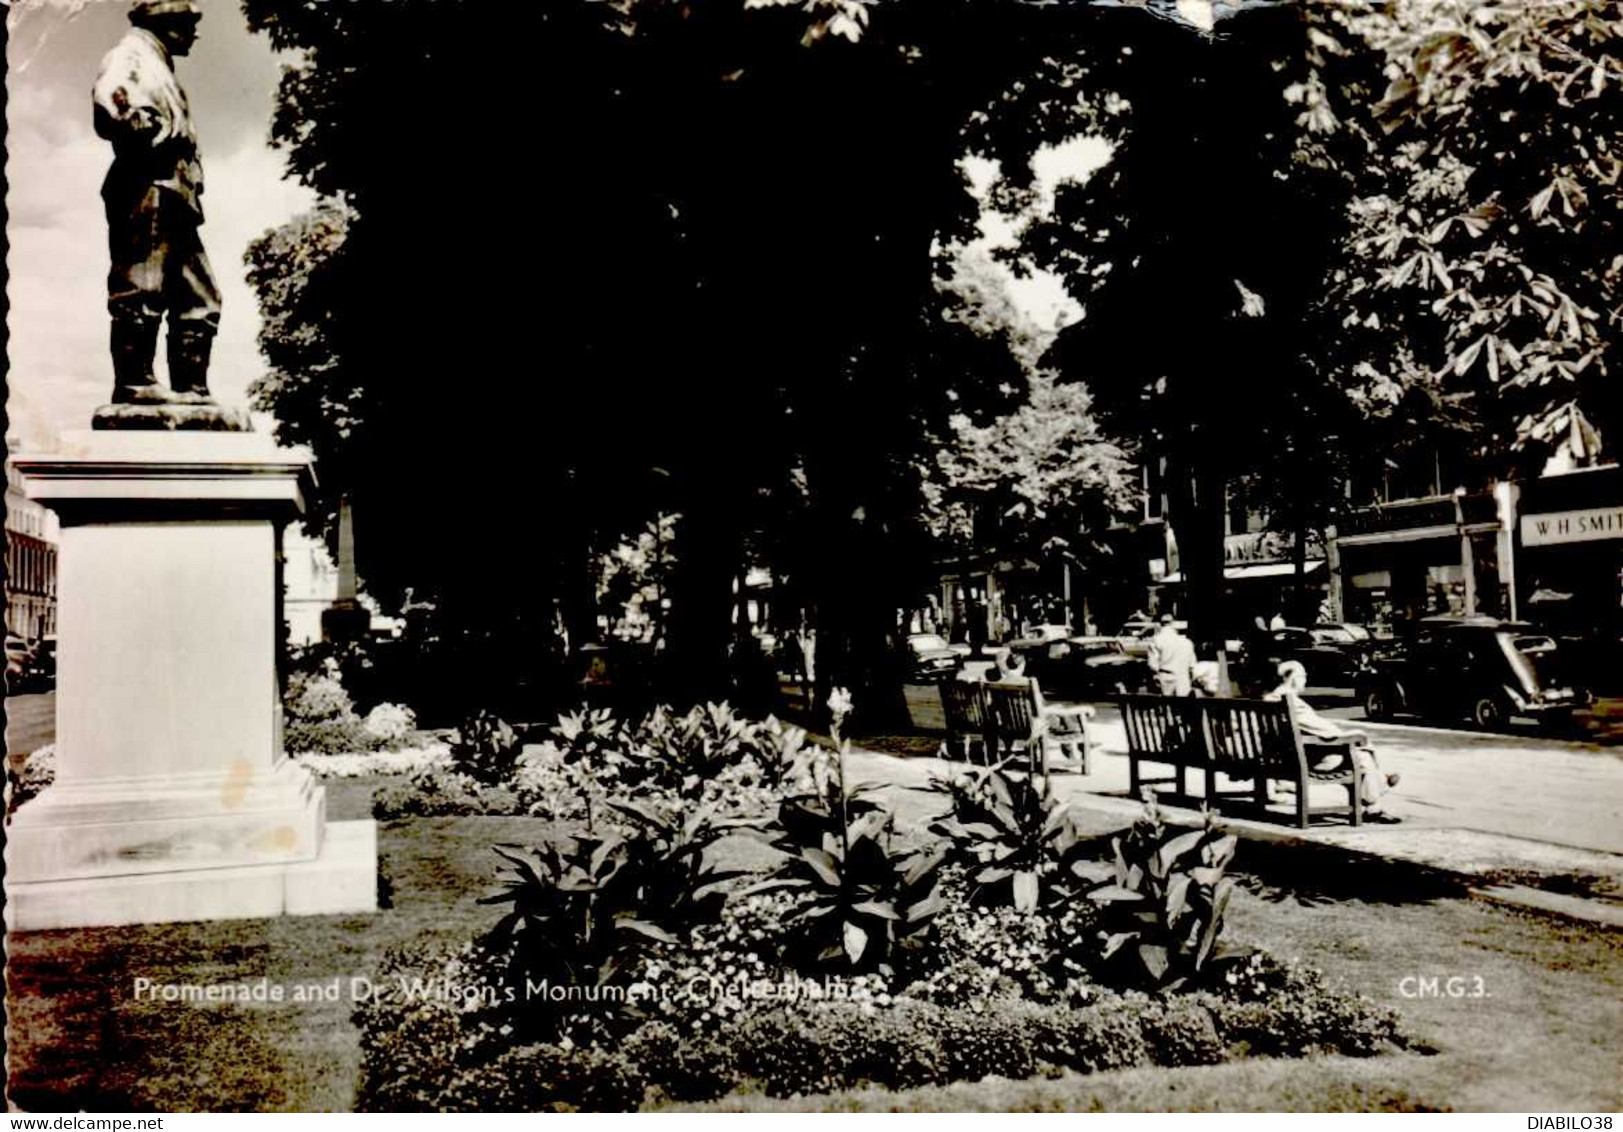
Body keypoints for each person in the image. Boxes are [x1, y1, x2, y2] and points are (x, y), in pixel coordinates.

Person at [94, 0, 221, 406]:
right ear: (166, 21)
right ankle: (135, 384)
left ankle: (192, 389)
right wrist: (151, 136)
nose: (195, 32)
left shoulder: (158, 63)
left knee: (199, 295)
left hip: (174, 192)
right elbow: (112, 105)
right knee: (142, 284)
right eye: (189, 22)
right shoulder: (132, 55)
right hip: (149, 182)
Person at [1267, 660, 1401, 820]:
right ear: (1294, 678)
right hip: (1303, 762)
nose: (1305, 680)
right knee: (1360, 756)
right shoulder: (1291, 703)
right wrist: (1354, 735)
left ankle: (1378, 787)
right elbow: (1327, 732)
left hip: (1281, 759)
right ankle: (1375, 802)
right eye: (1304, 676)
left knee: (1356, 754)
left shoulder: (1268, 700)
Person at [1146, 614, 1197, 696]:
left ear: (1160, 624)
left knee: (1166, 706)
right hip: (1183, 678)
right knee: (1181, 707)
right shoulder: (1187, 642)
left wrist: (1155, 677)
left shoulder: (1156, 640)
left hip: (1165, 678)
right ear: (1174, 623)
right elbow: (1192, 665)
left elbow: (1152, 664)